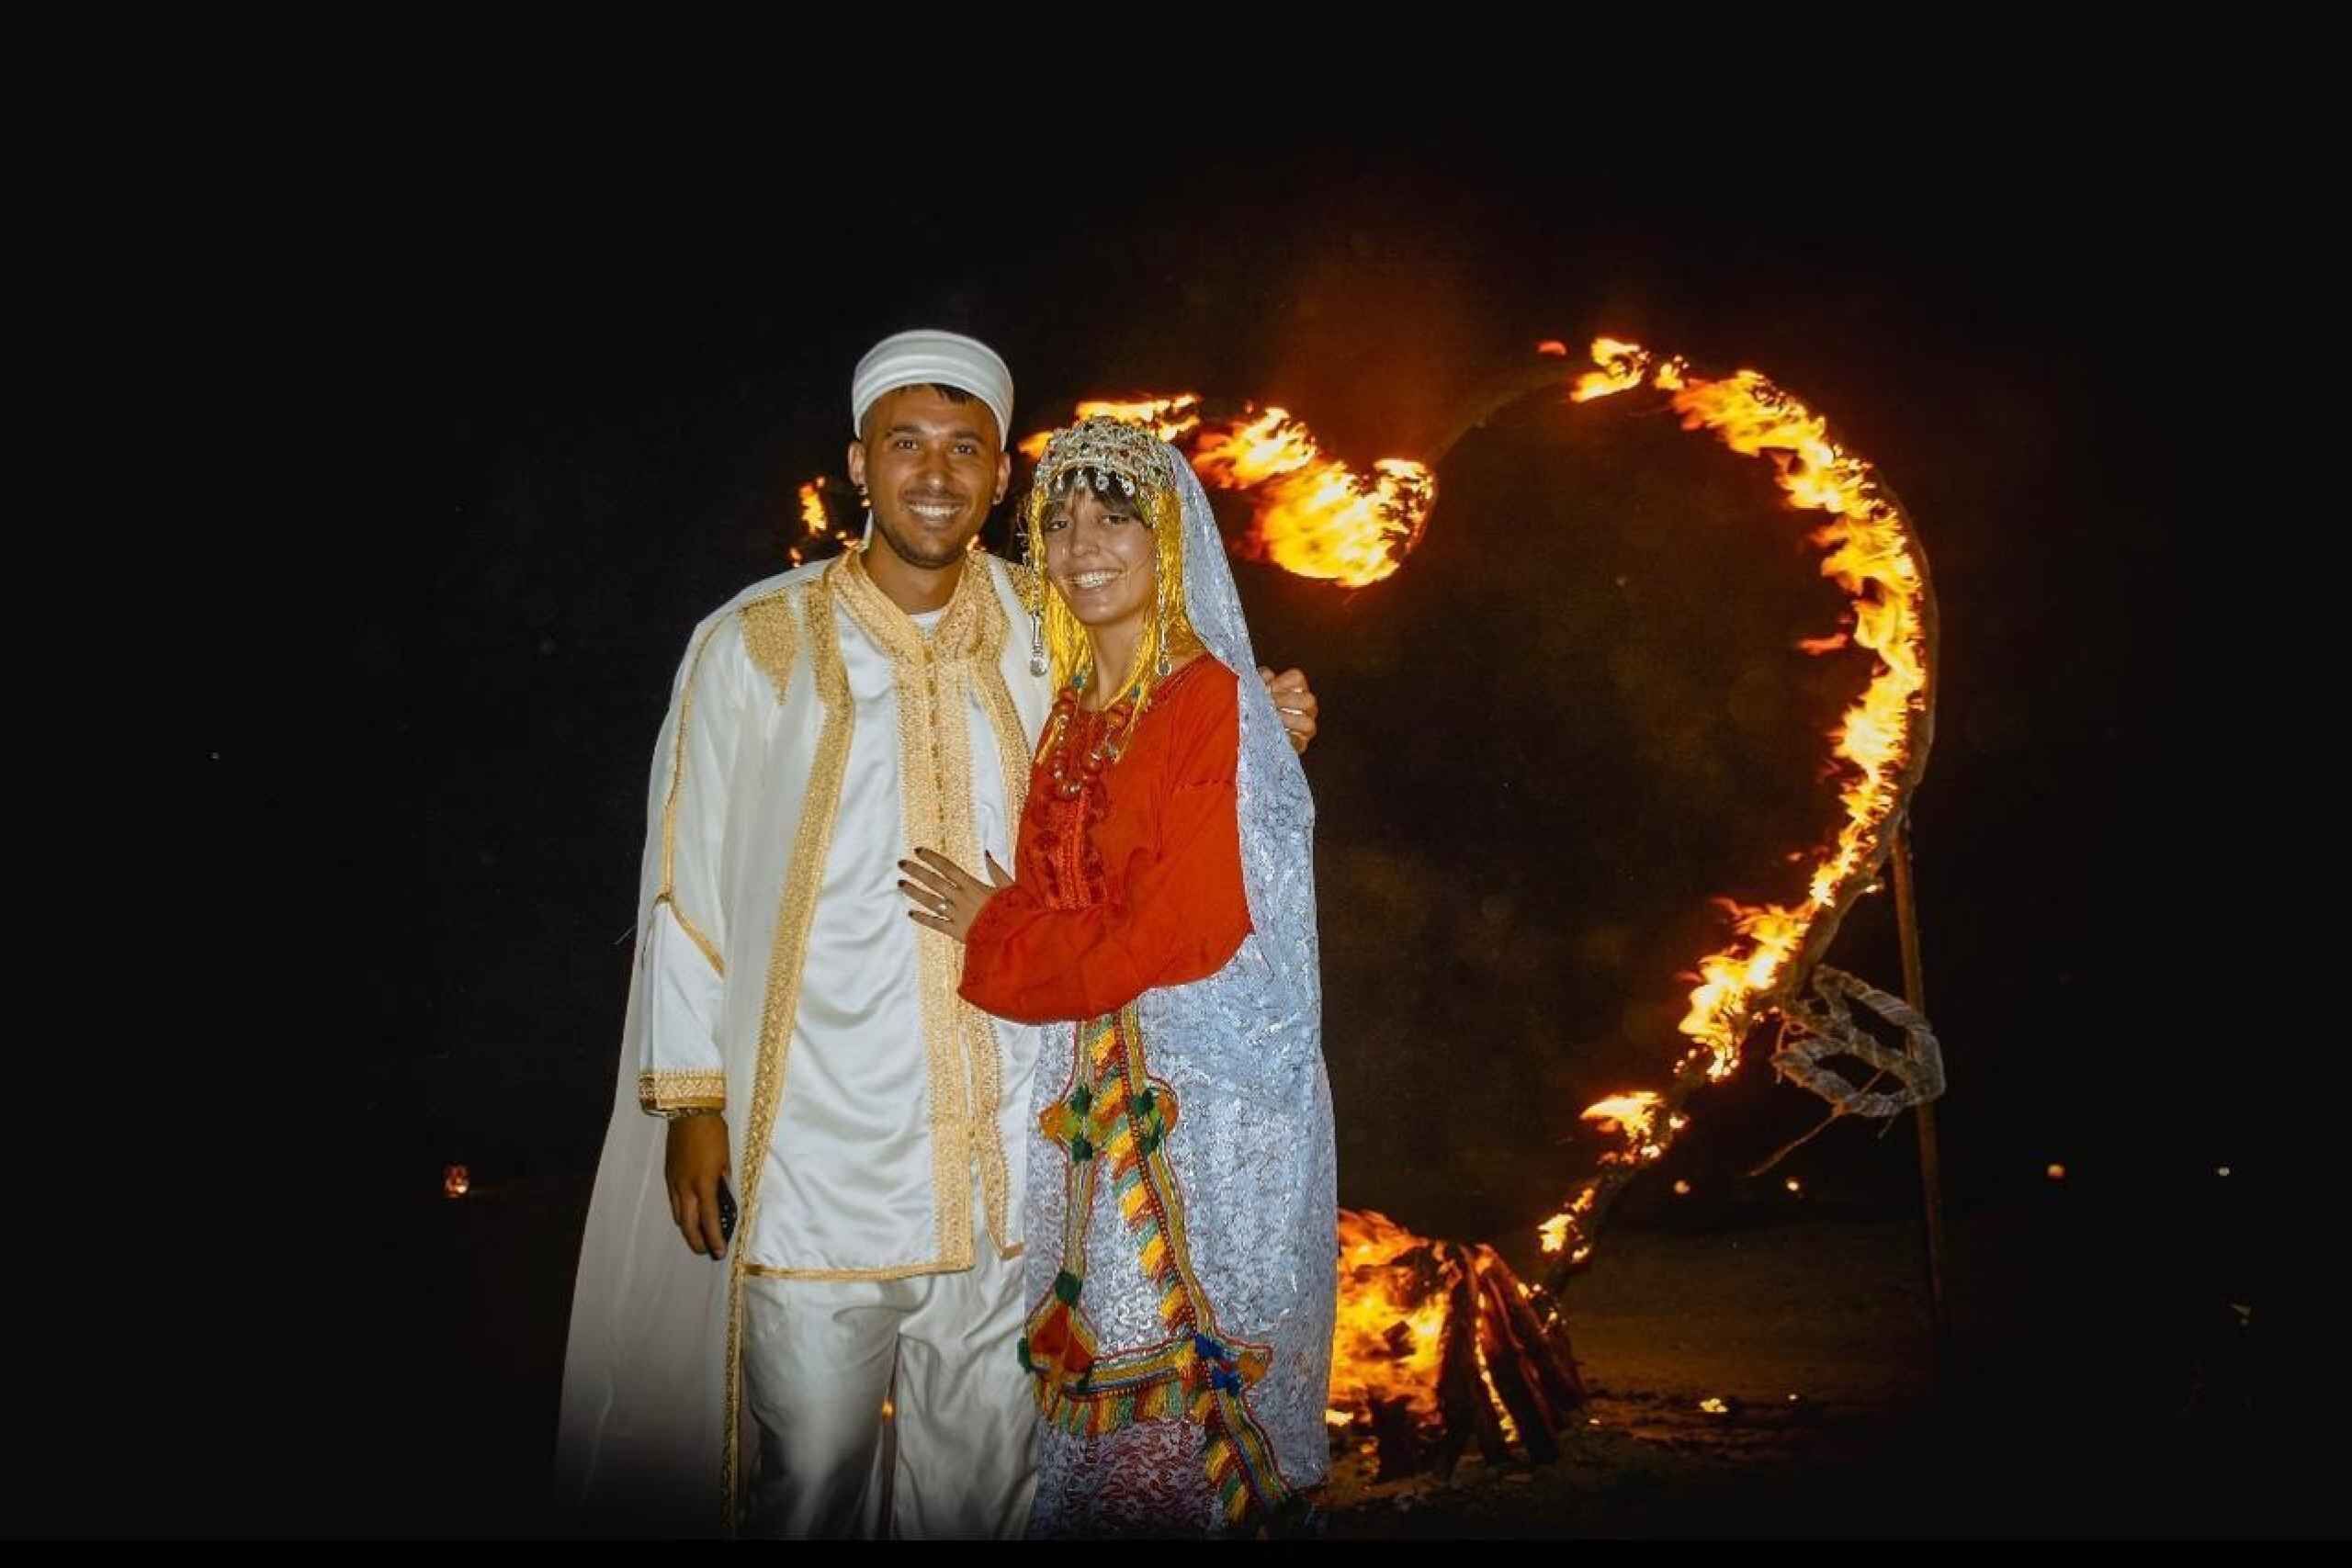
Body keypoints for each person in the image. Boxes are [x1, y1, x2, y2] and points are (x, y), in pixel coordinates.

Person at [556, 334, 1320, 1538]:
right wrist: (694, 1099)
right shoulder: (752, 641)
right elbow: (685, 881)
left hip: (1010, 1151)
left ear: (1000, 477)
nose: (934, 471)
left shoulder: (1042, 620)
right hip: (819, 1151)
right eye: (905, 442)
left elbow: (1155, 714)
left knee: (982, 1494)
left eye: (966, 448)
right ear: (860, 460)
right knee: (804, 1474)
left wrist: (1258, 721)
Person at [899, 417, 1335, 1537]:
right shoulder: (1076, 707)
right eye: (1058, 520)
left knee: (1166, 1430)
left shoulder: (1207, 703)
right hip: (1087, 1113)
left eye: (1114, 518)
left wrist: (996, 931)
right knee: (1092, 1423)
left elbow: (1174, 936)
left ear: (1170, 540)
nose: (1082, 542)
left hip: (1197, 1138)